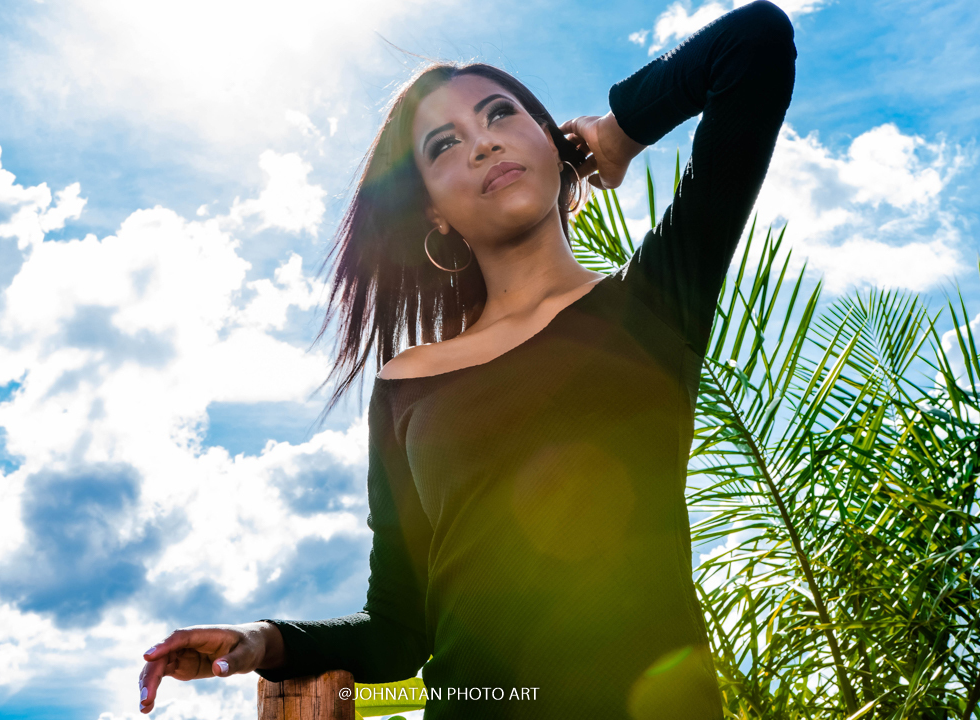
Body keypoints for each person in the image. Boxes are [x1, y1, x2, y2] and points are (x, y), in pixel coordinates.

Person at [137, 1, 796, 717]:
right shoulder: (406, 383)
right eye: (444, 145)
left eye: (500, 115)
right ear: (432, 212)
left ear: (550, 141)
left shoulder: (654, 307)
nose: (483, 144)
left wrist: (618, 131)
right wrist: (262, 641)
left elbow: (755, 42)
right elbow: (399, 629)